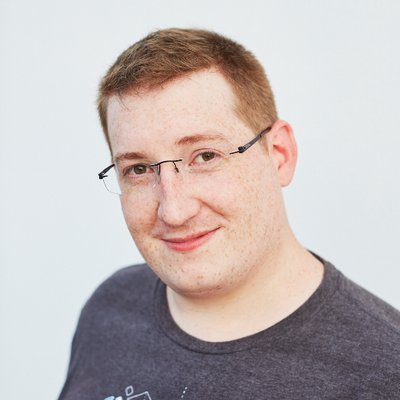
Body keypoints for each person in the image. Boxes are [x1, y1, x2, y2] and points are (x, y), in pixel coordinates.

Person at [58, 28, 400, 400]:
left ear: (279, 154)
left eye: (205, 156)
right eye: (138, 169)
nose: (174, 211)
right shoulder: (110, 309)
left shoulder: (384, 371)